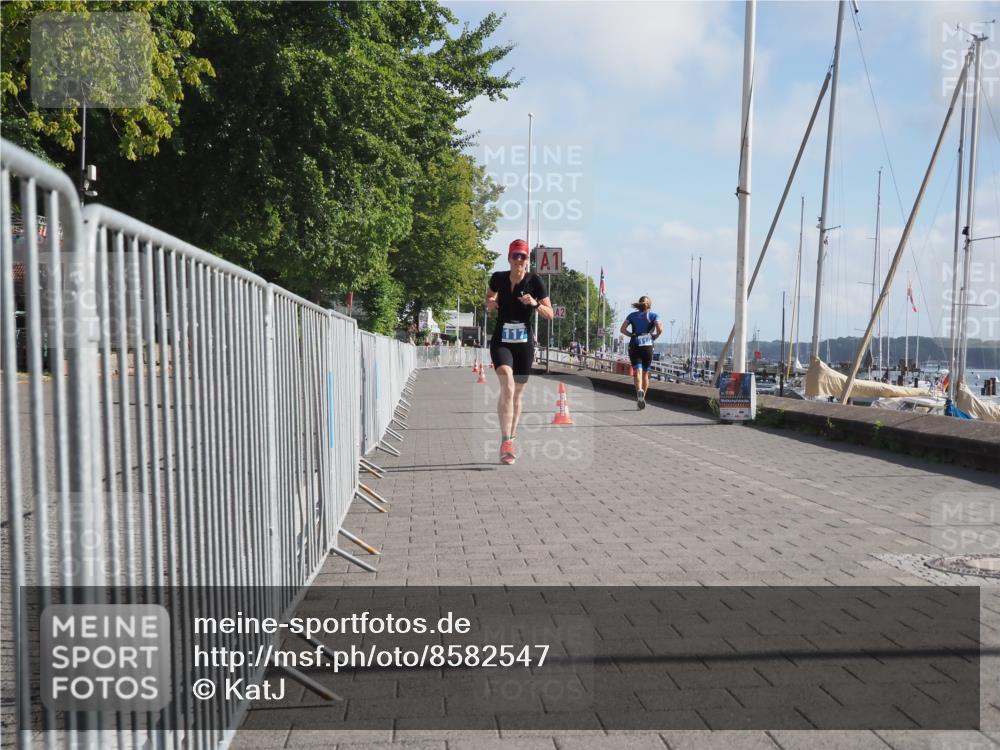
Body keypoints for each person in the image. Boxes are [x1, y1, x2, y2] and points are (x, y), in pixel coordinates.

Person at [486, 239, 553, 465]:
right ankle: (505, 441)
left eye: (523, 257)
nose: (519, 261)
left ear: (527, 260)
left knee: (517, 394)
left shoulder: (535, 281)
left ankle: (511, 439)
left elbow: (550, 313)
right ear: (509, 258)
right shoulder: (497, 278)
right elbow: (489, 296)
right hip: (501, 340)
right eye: (515, 256)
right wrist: (491, 303)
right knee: (507, 382)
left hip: (524, 343)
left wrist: (534, 304)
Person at [620, 295, 663, 409]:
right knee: (645, 373)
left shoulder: (632, 315)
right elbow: (660, 329)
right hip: (647, 345)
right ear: (650, 305)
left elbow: (622, 329)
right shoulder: (654, 315)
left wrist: (632, 335)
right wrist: (655, 336)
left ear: (639, 305)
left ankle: (639, 390)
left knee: (637, 371)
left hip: (635, 344)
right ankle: (643, 397)